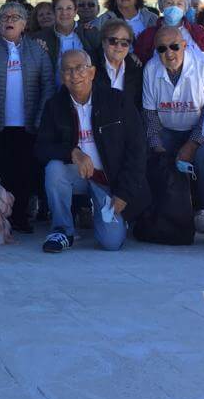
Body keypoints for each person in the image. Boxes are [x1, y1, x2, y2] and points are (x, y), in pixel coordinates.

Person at [36, 49, 146, 253]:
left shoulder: (117, 100)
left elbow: (137, 150)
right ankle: (61, 230)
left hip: (109, 180)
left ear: (93, 72)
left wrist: (124, 193)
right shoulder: (54, 106)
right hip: (76, 176)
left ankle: (106, 216)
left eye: (80, 68)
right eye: (67, 70)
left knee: (111, 243)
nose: (74, 75)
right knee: (54, 169)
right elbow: (41, 148)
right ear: (62, 77)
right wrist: (72, 152)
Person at [0, 2, 53, 233]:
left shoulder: (37, 50)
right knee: (3, 173)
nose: (10, 20)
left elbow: (47, 86)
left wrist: (38, 119)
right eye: (5, 16)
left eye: (16, 17)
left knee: (25, 173)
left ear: (25, 24)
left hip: (28, 126)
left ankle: (20, 217)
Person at [142, 25, 204, 243]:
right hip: (167, 130)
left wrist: (192, 145)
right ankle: (163, 222)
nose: (169, 53)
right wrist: (157, 146)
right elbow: (150, 114)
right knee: (155, 162)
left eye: (174, 46)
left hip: (202, 130)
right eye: (162, 48)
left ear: (185, 46)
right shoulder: (151, 69)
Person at [134, 0, 204, 72]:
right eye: (169, 3)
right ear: (161, 7)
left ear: (185, 9)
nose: (174, 7)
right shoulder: (148, 35)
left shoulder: (198, 32)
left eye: (179, 4)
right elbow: (139, 62)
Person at [35, 0, 100, 85]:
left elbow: (100, 65)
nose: (64, 13)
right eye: (60, 9)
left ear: (75, 11)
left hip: (85, 95)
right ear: (54, 12)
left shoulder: (90, 33)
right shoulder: (42, 38)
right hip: (54, 95)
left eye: (69, 8)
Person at [94, 19, 144, 112]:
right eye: (113, 41)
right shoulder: (91, 66)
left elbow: (137, 105)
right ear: (103, 42)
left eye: (124, 42)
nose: (119, 46)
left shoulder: (136, 69)